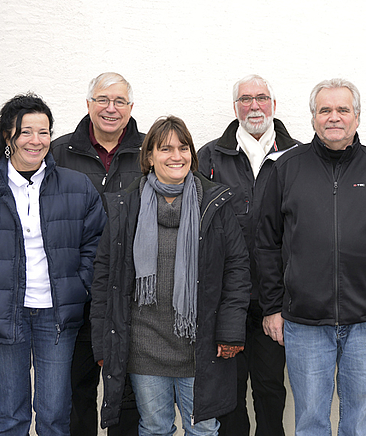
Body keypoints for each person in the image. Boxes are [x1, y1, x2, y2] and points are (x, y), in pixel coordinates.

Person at [0, 93, 106, 436]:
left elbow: (97, 245)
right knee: (12, 414)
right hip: (2, 314)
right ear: (7, 137)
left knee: (55, 414)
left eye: (43, 132)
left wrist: (81, 285)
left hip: (57, 317)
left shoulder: (77, 187)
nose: (36, 141)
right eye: (26, 132)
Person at [256, 78, 366, 436]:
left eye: (343, 109)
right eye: (324, 110)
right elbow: (265, 244)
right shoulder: (286, 168)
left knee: (358, 420)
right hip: (304, 323)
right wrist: (272, 307)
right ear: (313, 118)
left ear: (357, 117)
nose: (334, 117)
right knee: (311, 419)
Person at [91, 115, 250, 435]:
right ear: (149, 156)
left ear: (192, 154)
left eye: (183, 148)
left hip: (200, 348)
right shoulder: (126, 205)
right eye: (165, 149)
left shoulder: (215, 203)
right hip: (144, 349)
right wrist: (103, 344)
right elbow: (104, 277)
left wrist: (231, 330)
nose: (176, 156)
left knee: (203, 430)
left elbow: (237, 269)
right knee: (154, 428)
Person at [198, 74, 298, 436]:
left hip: (276, 298)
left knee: (271, 389)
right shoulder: (210, 156)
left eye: (261, 98)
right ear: (235, 106)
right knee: (229, 393)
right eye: (245, 99)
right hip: (227, 298)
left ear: (274, 104)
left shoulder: (298, 155)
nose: (254, 105)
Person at [51, 71, 143, 436]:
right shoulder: (58, 153)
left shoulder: (148, 150)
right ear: (88, 104)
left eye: (120, 101)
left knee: (128, 393)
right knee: (76, 389)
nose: (111, 108)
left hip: (131, 295)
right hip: (76, 294)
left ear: (131, 107)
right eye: (103, 100)